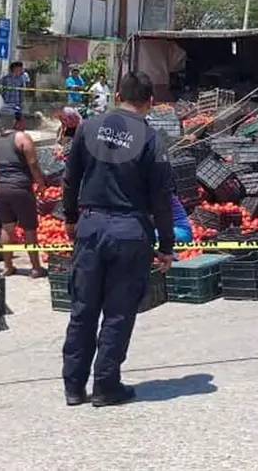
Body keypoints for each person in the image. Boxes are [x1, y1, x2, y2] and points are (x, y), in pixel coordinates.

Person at [61, 70, 174, 407]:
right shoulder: (153, 139)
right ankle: (106, 386)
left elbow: (70, 179)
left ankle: (73, 386)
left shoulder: (88, 127)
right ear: (150, 102)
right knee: (118, 311)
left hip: (91, 225)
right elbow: (162, 198)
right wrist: (166, 245)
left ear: (116, 96)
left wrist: (69, 218)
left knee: (83, 307)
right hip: (130, 231)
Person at [0, 106, 48, 278]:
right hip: (20, 189)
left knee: (7, 227)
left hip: (1, 188)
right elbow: (33, 164)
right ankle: (35, 268)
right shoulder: (22, 138)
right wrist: (41, 184)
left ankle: (8, 267)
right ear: (17, 120)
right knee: (29, 228)